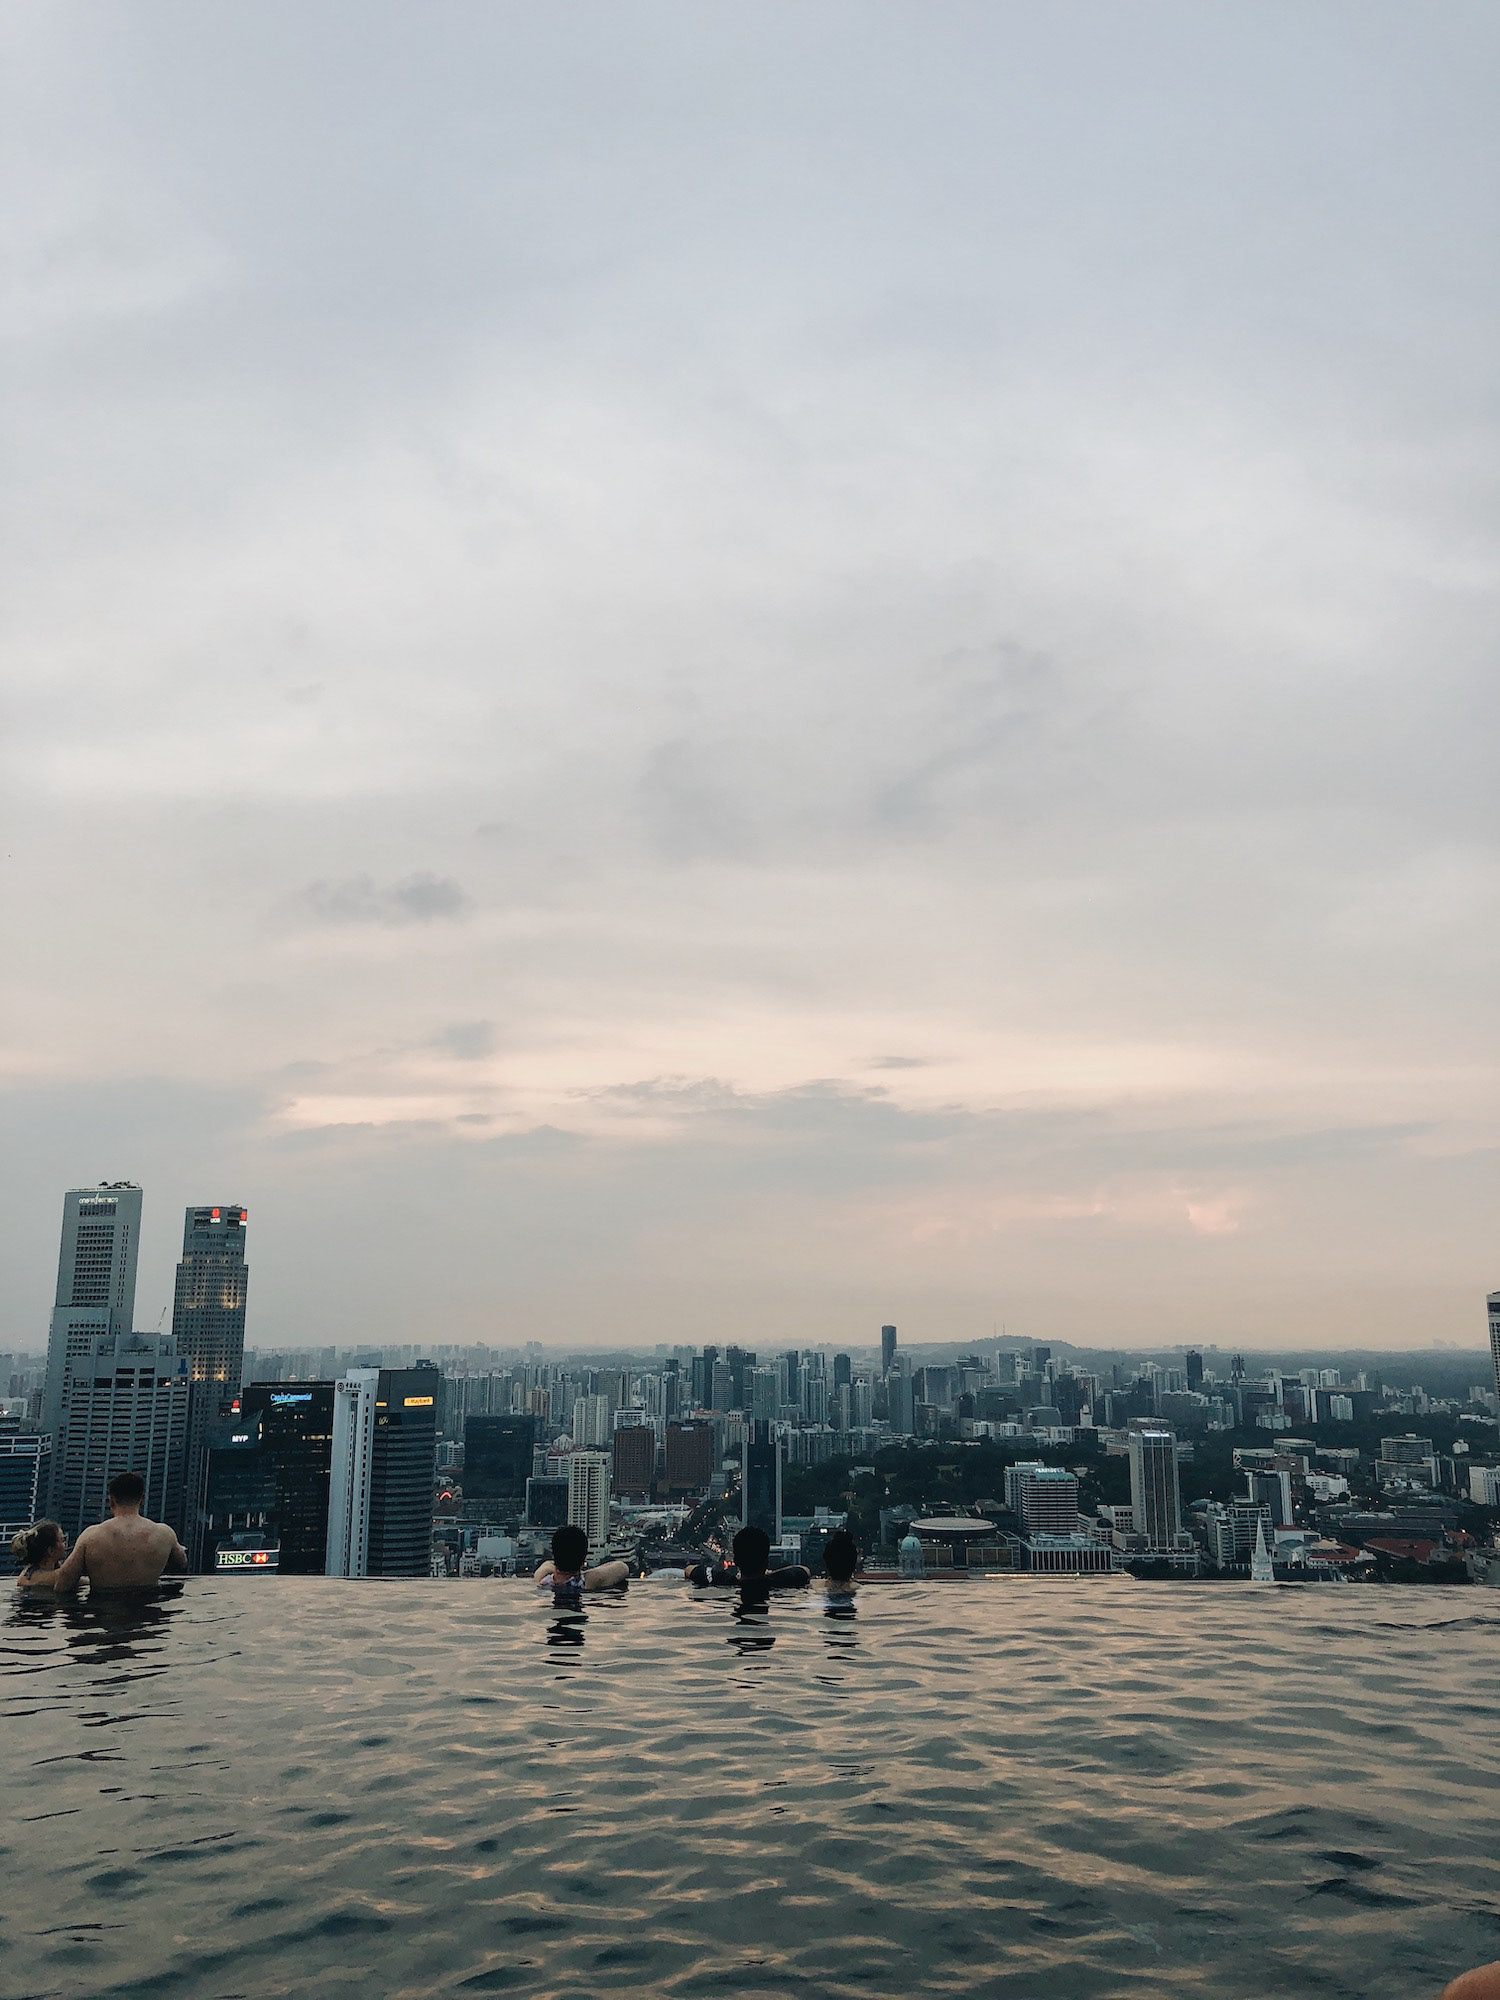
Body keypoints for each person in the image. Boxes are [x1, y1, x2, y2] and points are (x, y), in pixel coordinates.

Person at [49, 1471, 188, 1593]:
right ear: (142, 1500)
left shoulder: (91, 1536)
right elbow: (181, 1564)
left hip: (103, 1615)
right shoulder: (164, 1534)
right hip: (147, 1613)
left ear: (111, 1500)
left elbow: (65, 1580)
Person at [687, 1524, 811, 1593]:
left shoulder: (722, 1580)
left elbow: (688, 1570)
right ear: (766, 1560)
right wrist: (770, 1574)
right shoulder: (780, 1582)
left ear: (736, 1561)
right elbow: (804, 1570)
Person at [532, 1523, 629, 1593]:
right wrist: (587, 1573)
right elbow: (622, 1567)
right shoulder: (589, 1582)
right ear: (584, 1557)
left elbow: (547, 1564)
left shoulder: (542, 1579)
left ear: (554, 1554)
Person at [11, 1520, 68, 1590]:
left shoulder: (29, 1572)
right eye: (62, 1540)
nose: (65, 1544)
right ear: (51, 1551)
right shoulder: (46, 1578)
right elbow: (71, 1578)